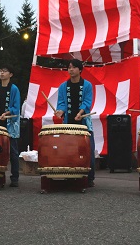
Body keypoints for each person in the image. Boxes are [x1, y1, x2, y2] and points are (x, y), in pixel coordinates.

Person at [54, 59, 96, 188]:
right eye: (69, 67)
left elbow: (87, 102)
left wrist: (80, 112)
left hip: (84, 122)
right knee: (69, 150)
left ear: (80, 69)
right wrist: (60, 111)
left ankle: (89, 178)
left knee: (88, 150)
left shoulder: (87, 85)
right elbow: (61, 102)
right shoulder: (63, 86)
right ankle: (71, 175)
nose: (70, 70)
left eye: (73, 67)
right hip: (69, 123)